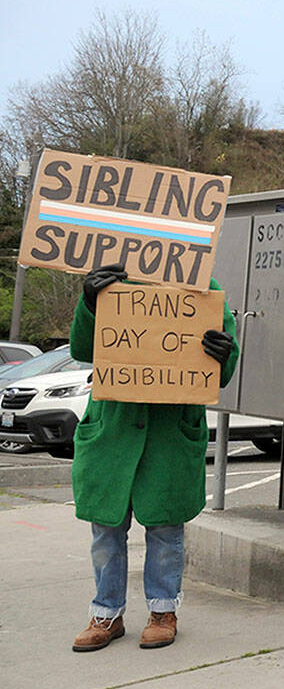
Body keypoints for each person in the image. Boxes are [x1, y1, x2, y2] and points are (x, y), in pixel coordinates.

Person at [69, 265, 238, 653]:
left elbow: (222, 369)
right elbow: (82, 349)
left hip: (169, 435)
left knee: (165, 532)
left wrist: (224, 353)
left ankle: (163, 611)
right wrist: (89, 302)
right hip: (113, 432)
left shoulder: (204, 289)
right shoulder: (112, 284)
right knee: (106, 533)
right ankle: (106, 613)